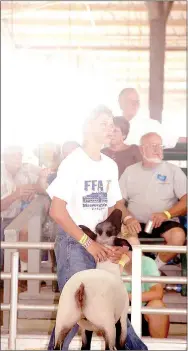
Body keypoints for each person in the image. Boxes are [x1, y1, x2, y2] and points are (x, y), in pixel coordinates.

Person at [46, 105, 148, 350]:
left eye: (112, 124)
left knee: (110, 310)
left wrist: (126, 219)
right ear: (87, 126)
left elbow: (117, 204)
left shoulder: (109, 166)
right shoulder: (73, 163)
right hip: (77, 242)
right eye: (103, 123)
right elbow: (57, 210)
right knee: (73, 315)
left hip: (102, 243)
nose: (110, 128)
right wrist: (87, 243)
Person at [119, 132, 186, 270]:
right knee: (123, 236)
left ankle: (153, 270)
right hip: (134, 223)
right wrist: (128, 218)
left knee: (178, 236)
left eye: (160, 146)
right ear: (142, 149)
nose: (158, 150)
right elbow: (118, 202)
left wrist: (166, 214)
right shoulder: (130, 171)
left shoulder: (173, 171)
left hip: (165, 221)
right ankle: (140, 270)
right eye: (153, 146)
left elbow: (186, 200)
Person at [1, 145, 47, 273]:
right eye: (13, 155)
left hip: (19, 217)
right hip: (3, 219)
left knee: (30, 229)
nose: (17, 158)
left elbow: (45, 182)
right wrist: (15, 195)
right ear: (4, 157)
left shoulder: (27, 168)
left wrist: (34, 187)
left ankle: (25, 273)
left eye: (19, 155)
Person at [120, 236, 169, 338]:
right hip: (119, 311)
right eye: (124, 248)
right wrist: (121, 264)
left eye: (133, 248)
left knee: (157, 305)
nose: (128, 252)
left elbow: (157, 293)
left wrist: (126, 296)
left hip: (142, 308)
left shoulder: (147, 262)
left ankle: (159, 347)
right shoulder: (112, 263)